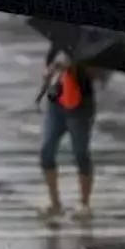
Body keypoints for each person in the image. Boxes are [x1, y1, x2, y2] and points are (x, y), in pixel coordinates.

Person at [37, 46, 98, 222]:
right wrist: (49, 72)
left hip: (80, 107)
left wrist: (74, 67)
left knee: (80, 152)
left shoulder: (92, 46)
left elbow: (97, 75)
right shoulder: (59, 42)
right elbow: (48, 67)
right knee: (46, 151)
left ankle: (84, 203)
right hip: (56, 104)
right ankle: (55, 203)